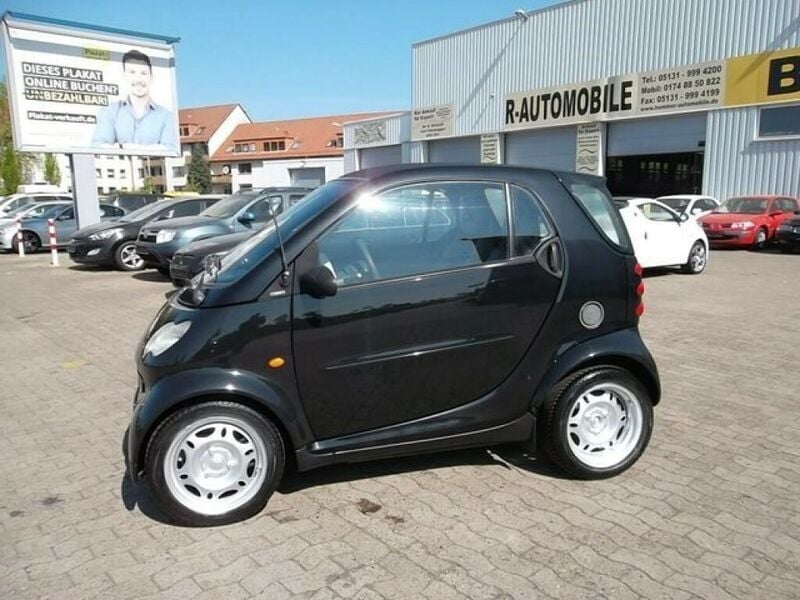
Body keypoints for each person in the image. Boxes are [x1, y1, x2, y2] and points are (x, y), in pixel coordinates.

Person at [92, 49, 177, 153]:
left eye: (143, 73)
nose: (138, 79)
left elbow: (170, 149)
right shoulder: (110, 112)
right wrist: (152, 149)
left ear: (151, 76)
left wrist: (124, 147)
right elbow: (99, 146)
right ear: (124, 75)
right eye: (132, 72)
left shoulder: (166, 116)